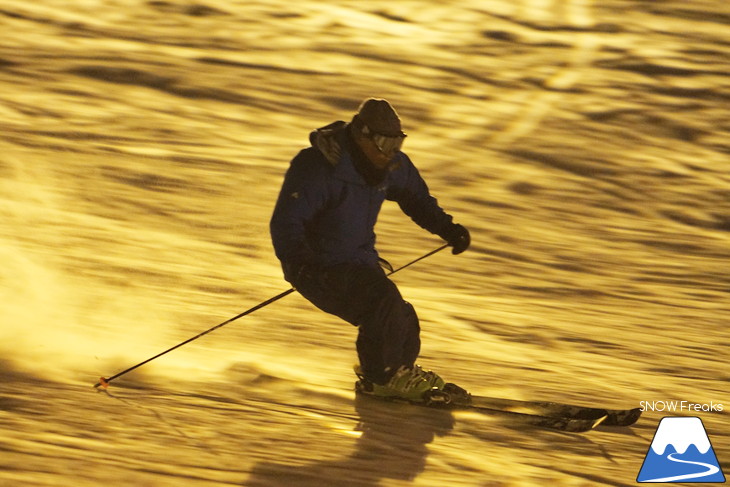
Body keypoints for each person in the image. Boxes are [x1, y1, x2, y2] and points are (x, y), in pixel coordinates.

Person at [270, 98, 470, 402]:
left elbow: (416, 200)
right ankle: (382, 376)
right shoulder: (318, 168)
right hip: (318, 266)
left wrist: (448, 229)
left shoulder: (391, 167)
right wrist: (300, 264)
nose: (389, 150)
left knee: (402, 316)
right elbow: (287, 221)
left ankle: (398, 372)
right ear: (361, 134)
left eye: (396, 142)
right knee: (381, 302)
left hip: (357, 261)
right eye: (382, 141)